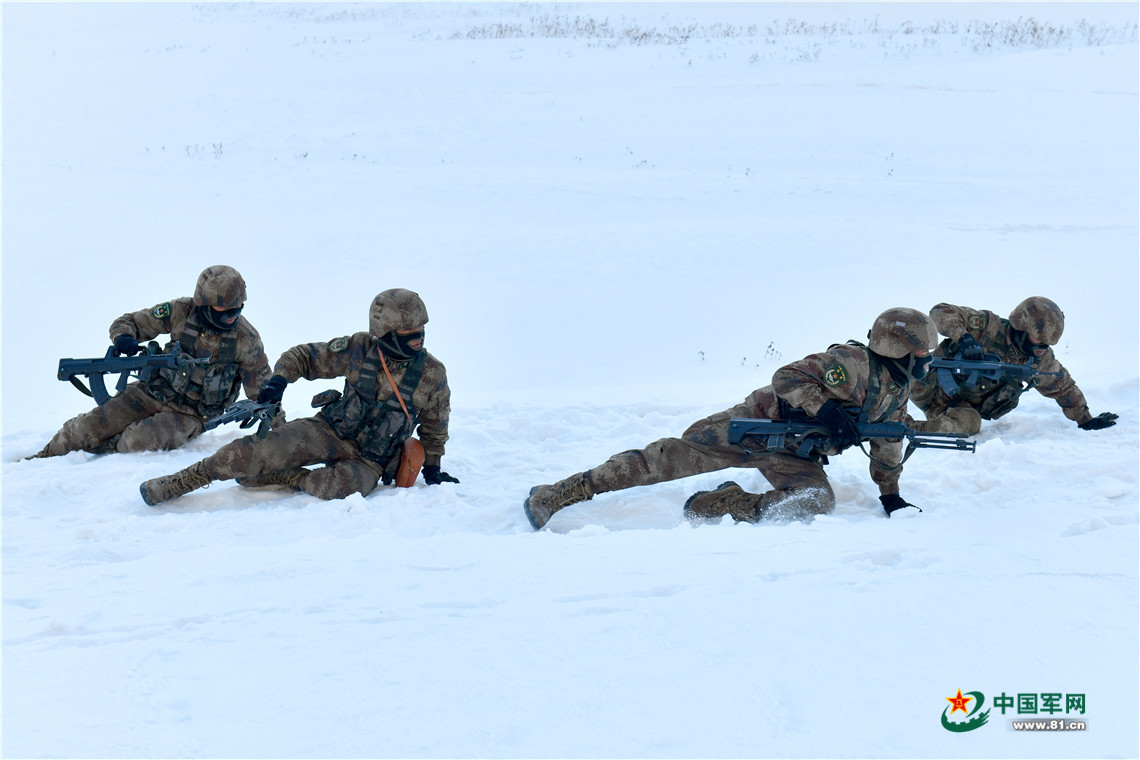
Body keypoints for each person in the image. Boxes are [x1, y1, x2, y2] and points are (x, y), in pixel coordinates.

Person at [524, 307, 941, 529]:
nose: (928, 361)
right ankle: (559, 492)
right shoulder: (850, 364)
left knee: (814, 503)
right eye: (923, 354)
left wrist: (890, 496)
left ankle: (723, 503)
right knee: (661, 461)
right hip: (753, 428)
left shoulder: (896, 389)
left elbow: (887, 442)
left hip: (796, 454)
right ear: (897, 349)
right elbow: (786, 377)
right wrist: (828, 409)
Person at [139, 288, 456, 506]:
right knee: (247, 453)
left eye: (420, 332)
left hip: (369, 459)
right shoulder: (359, 349)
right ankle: (179, 482)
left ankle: (287, 477)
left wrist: (432, 466)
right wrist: (279, 380)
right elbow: (303, 357)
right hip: (327, 431)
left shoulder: (432, 374)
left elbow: (435, 427)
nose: (418, 340)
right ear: (384, 331)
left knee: (340, 488)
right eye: (407, 334)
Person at [30, 265, 272, 458]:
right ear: (204, 303)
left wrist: (279, 432)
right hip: (149, 393)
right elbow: (129, 321)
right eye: (223, 309)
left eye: (237, 309)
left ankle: (100, 456)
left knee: (136, 442)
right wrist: (124, 337)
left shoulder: (246, 340)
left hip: (192, 415)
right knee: (86, 429)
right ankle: (40, 461)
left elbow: (265, 393)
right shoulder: (180, 311)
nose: (231, 316)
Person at [910, 297, 1117, 435]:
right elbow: (939, 311)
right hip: (925, 383)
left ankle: (911, 428)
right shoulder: (987, 328)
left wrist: (1086, 420)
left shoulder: (1039, 359)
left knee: (970, 424)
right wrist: (963, 338)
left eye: (1047, 344)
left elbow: (1063, 386)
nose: (1041, 348)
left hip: (953, 408)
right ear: (1022, 328)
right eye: (1038, 340)